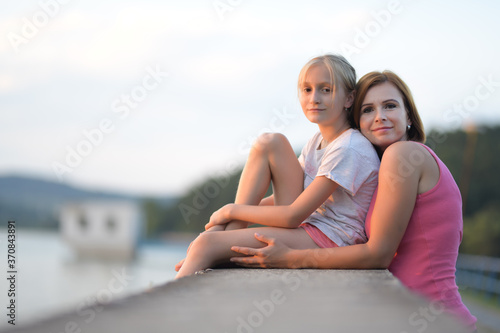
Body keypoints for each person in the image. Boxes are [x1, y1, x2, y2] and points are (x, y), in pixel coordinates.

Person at [229, 70, 477, 331]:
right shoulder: (383, 169)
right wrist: (235, 213)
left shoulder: (403, 155)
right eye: (368, 110)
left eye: (390, 106)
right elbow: (301, 197)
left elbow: (378, 254)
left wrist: (291, 257)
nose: (379, 116)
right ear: (358, 121)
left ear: (410, 117)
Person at [174, 54, 380, 279]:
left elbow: (293, 215)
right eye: (307, 89)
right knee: (270, 142)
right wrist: (226, 221)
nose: (314, 98)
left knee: (205, 243)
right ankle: (228, 237)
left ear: (349, 99)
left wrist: (230, 210)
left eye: (326, 90)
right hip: (310, 227)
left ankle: (170, 304)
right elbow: (297, 194)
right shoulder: (316, 143)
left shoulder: (349, 148)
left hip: (331, 240)